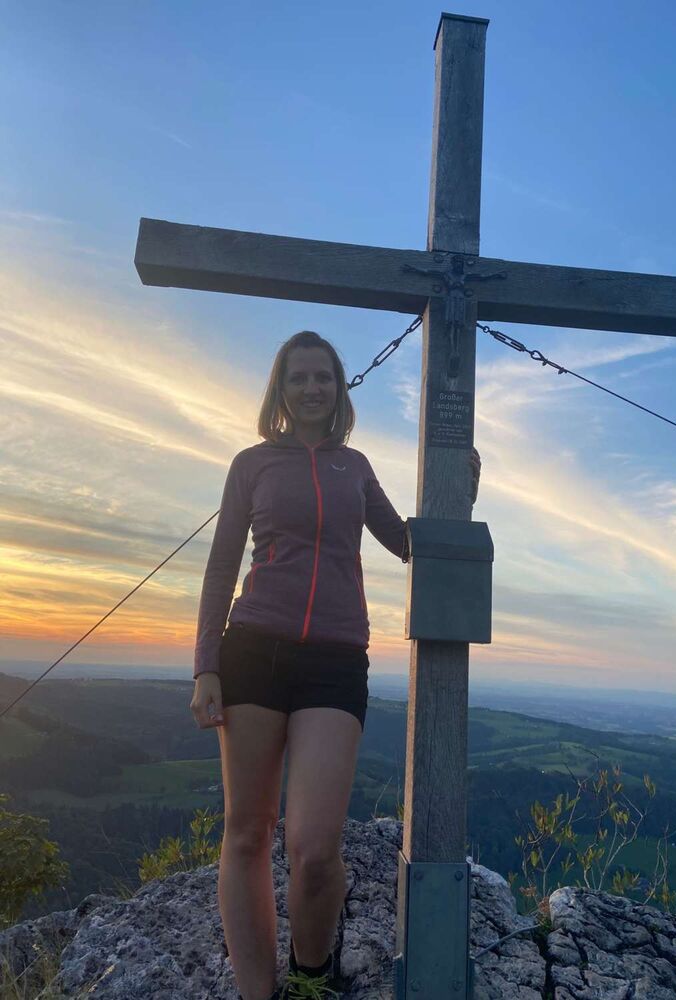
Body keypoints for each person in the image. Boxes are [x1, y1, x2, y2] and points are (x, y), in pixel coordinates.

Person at [190, 330, 481, 1000]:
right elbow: (221, 566)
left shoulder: (356, 467)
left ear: (339, 388)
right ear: (280, 390)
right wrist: (207, 665)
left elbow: (406, 543)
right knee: (246, 834)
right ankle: (256, 992)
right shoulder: (252, 464)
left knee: (316, 848)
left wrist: (456, 498)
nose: (311, 388)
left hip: (335, 661)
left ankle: (310, 977)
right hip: (252, 653)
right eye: (298, 377)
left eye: (323, 376)